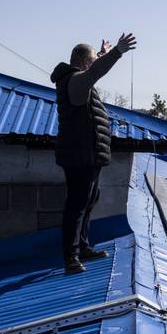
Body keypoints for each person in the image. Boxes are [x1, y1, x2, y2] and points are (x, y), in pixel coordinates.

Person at [50, 33, 137, 273]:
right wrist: (116, 52)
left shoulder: (77, 76)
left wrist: (101, 53)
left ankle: (84, 247)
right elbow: (95, 71)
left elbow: (92, 64)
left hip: (88, 152)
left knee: (90, 199)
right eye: (92, 59)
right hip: (80, 153)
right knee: (77, 204)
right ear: (82, 61)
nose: (93, 62)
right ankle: (71, 257)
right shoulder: (76, 80)